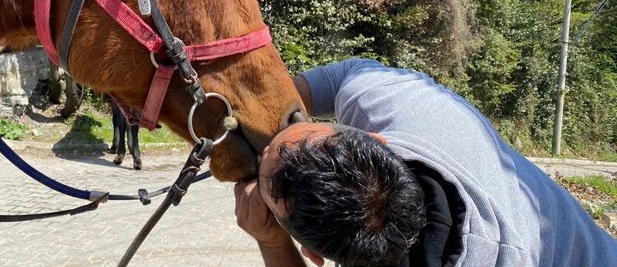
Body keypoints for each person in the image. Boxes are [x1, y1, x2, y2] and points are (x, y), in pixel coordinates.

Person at [234, 58, 617, 266]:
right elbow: (349, 75)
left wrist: (272, 244)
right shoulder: (414, 111)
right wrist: (277, 104)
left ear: (313, 255)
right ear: (378, 140)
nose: (266, 149)